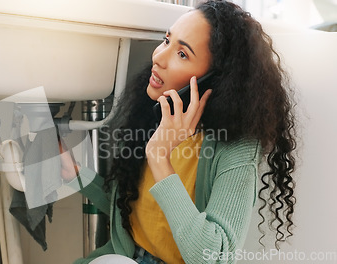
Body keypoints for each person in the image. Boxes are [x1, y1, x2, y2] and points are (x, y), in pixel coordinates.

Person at [60, 1, 297, 263]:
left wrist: (160, 157)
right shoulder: (154, 113)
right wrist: (77, 175)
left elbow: (214, 257)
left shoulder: (236, 148)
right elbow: (135, 209)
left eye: (182, 54)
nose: (158, 57)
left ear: (217, 80)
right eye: (166, 40)